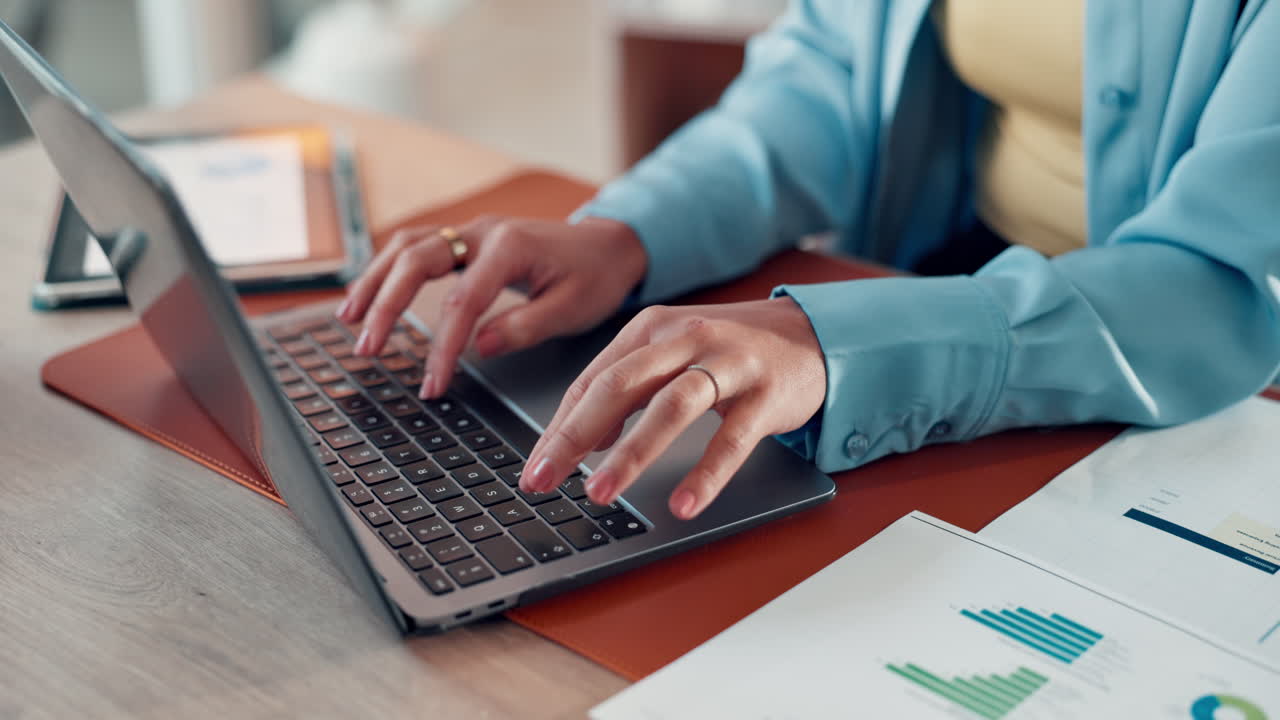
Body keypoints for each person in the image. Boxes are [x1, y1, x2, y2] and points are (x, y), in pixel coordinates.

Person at [336, 0, 1280, 522]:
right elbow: (828, 73)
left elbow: (1213, 283)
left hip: (1194, 379)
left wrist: (832, 341)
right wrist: (625, 233)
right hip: (944, 286)